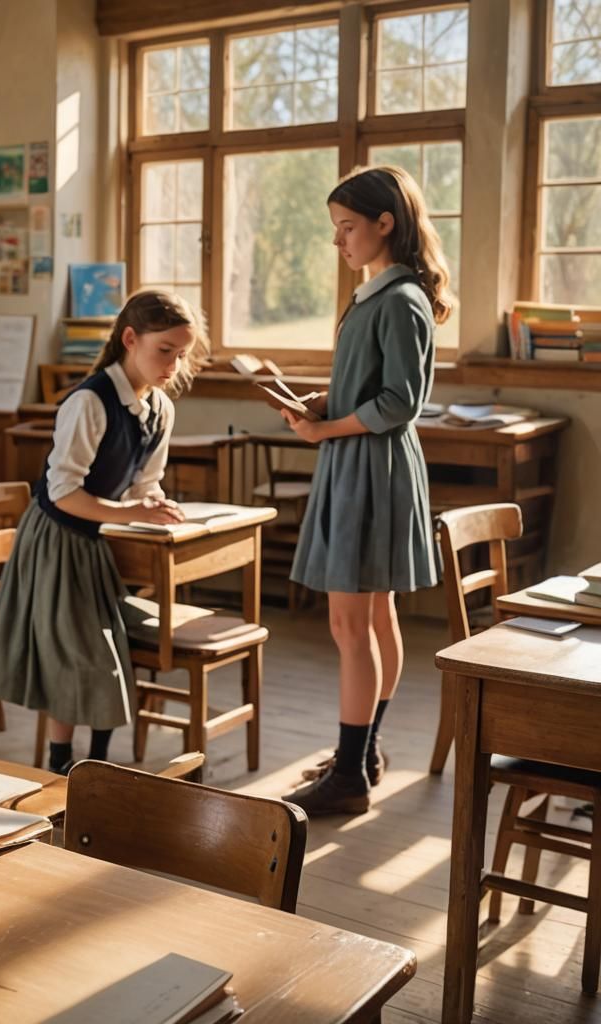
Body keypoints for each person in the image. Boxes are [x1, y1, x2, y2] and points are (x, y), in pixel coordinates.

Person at [280, 165, 452, 817]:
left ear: (386, 223)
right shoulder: (378, 294)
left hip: (370, 468)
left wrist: (325, 429)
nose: (338, 241)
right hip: (362, 461)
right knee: (373, 619)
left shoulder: (400, 299)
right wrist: (324, 402)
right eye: (335, 228)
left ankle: (351, 773)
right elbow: (373, 386)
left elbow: (401, 402)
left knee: (352, 623)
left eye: (347, 227)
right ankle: (364, 753)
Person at [0, 289, 207, 775]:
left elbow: (144, 482)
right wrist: (132, 513)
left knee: (111, 651)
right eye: (164, 350)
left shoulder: (159, 409)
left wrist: (152, 502)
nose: (173, 365)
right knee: (77, 655)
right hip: (57, 540)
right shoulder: (90, 401)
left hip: (98, 539)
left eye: (182, 354)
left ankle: (98, 764)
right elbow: (64, 493)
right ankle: (61, 763)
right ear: (130, 339)